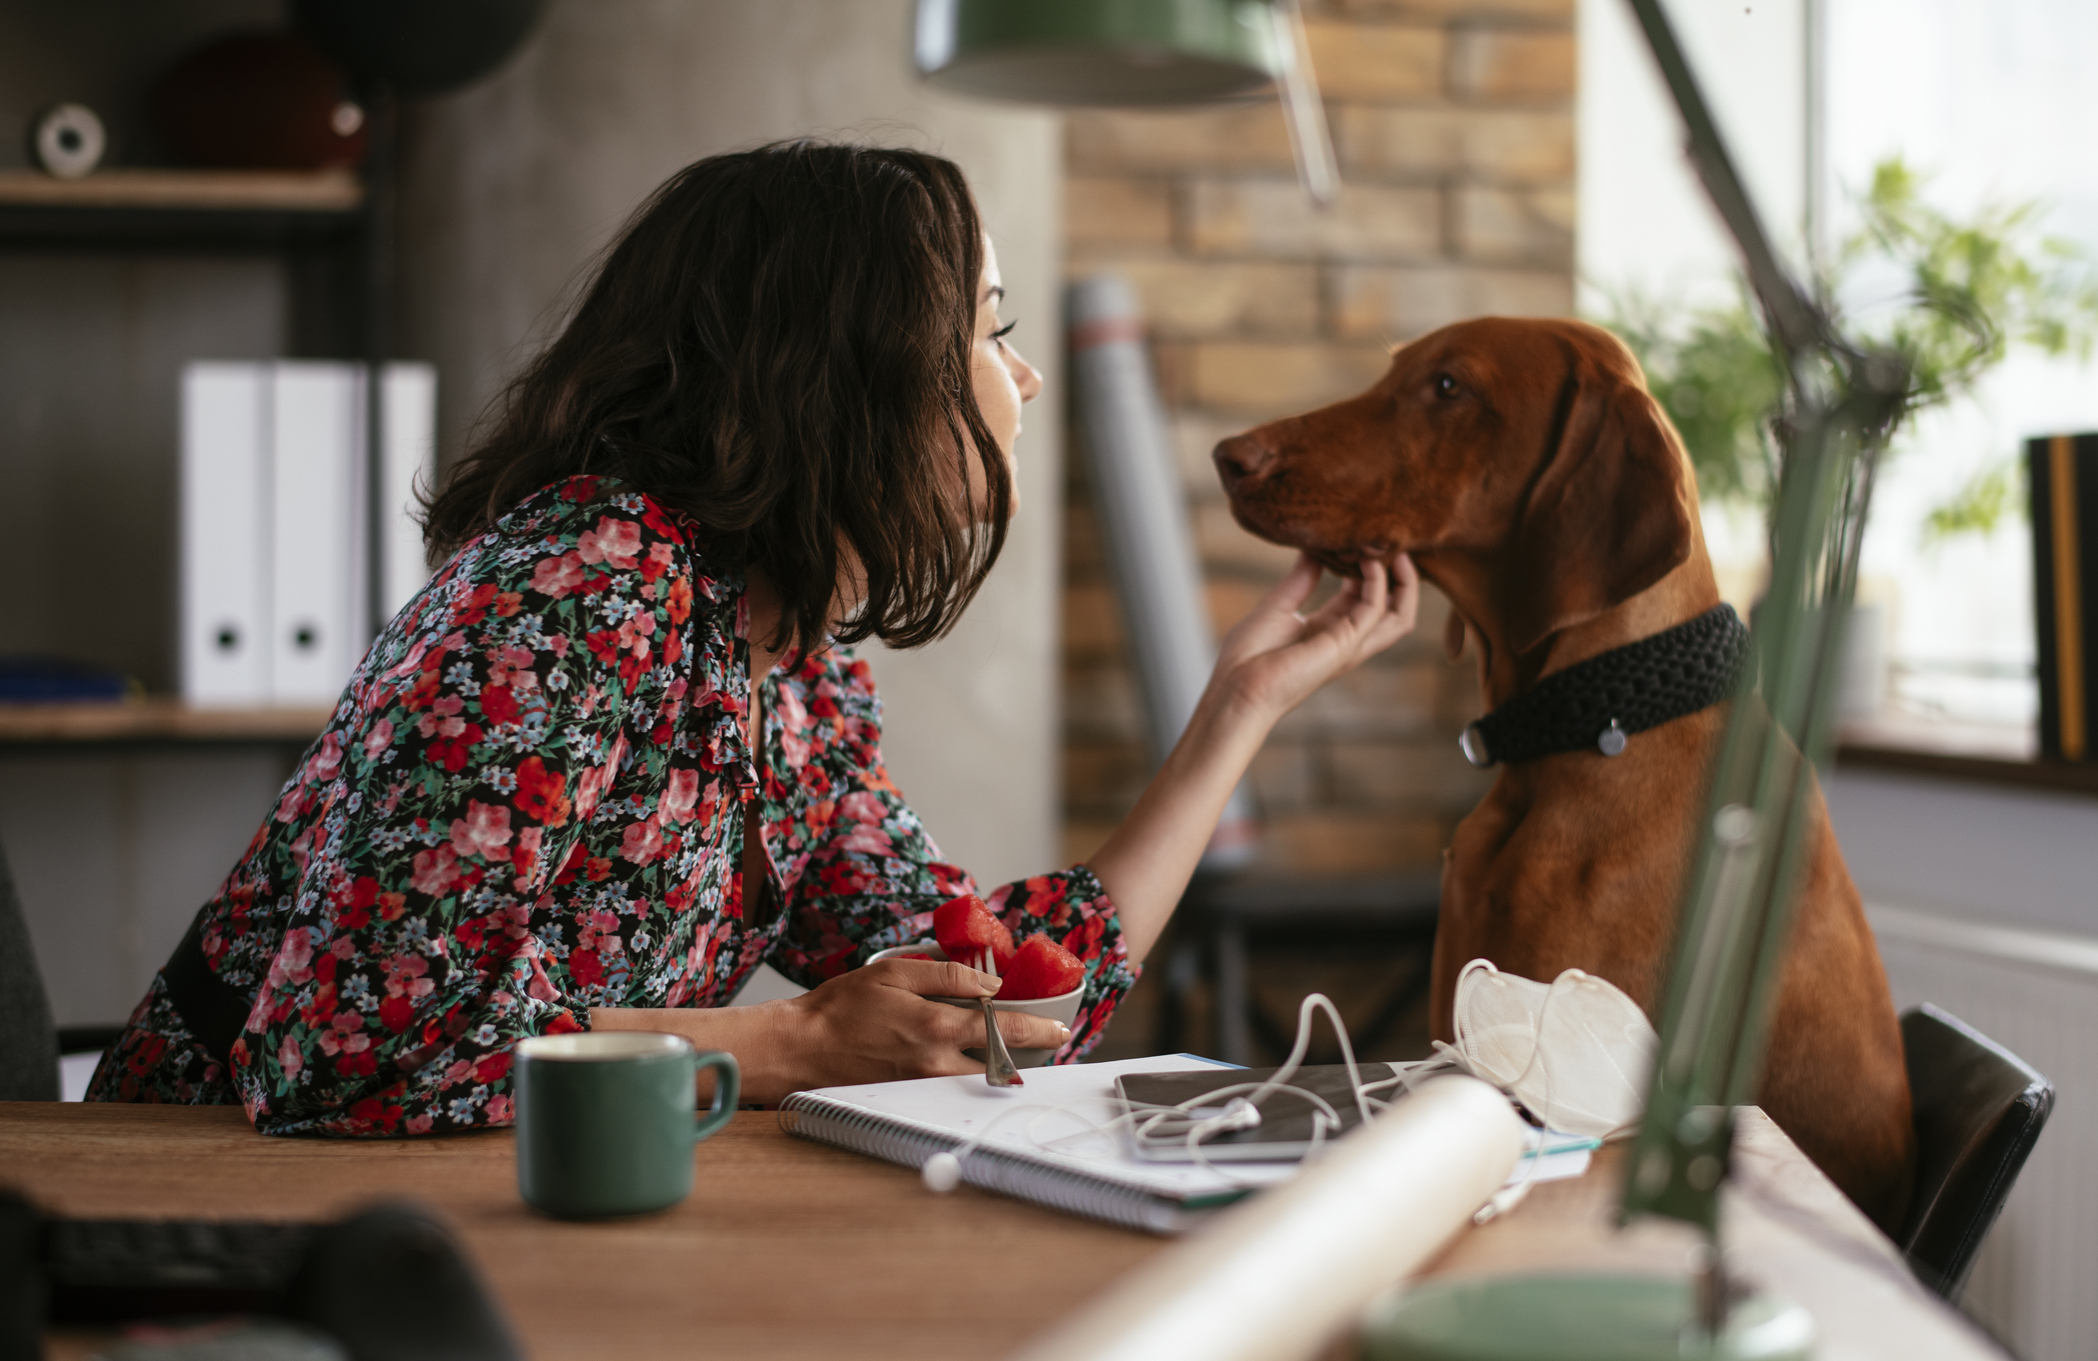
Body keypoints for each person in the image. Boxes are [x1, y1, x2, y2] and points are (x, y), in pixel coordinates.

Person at [89, 142, 1419, 1136]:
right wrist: (789, 1039)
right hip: (210, 1217)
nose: (1018, 380)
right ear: (850, 367)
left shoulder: (796, 668)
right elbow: (345, 1058)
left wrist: (1238, 706)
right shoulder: (582, 585)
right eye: (987, 331)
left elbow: (994, 1003)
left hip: (501, 1209)